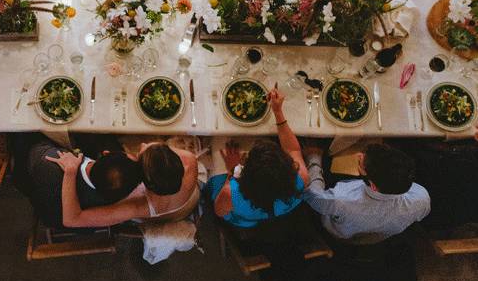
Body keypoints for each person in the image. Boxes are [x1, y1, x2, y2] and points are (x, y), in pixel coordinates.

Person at [207, 87, 309, 228]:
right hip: (273, 209)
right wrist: (278, 112)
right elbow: (292, 149)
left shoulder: (231, 192)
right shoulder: (301, 177)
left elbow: (219, 211)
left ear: (245, 173)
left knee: (218, 139)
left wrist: (232, 170)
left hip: (244, 216)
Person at [47, 142, 199, 227]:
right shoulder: (190, 160)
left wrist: (71, 172)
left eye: (141, 152)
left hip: (170, 213)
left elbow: (72, 219)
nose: (143, 144)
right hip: (187, 196)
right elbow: (160, 150)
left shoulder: (136, 206)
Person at [304, 143, 430, 244]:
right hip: (380, 237)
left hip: (340, 234)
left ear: (374, 186)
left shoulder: (341, 199)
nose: (359, 155)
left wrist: (314, 158)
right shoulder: (421, 198)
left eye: (361, 162)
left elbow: (315, 197)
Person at [23, 135, 143, 228]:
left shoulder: (50, 162)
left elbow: (34, 149)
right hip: (82, 224)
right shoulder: (121, 197)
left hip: (48, 211)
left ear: (106, 153)